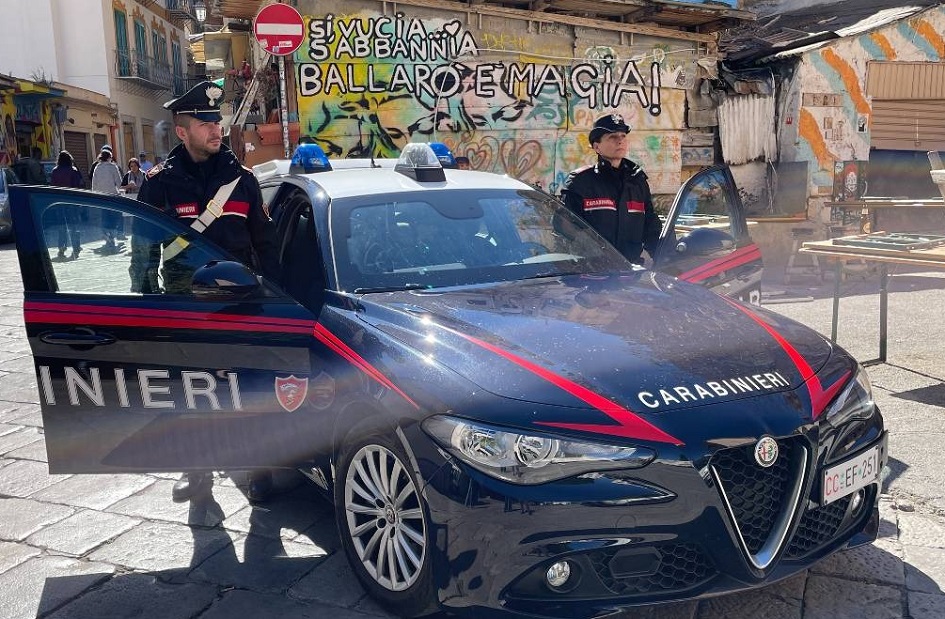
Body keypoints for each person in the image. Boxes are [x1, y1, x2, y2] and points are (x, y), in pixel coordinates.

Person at [134, 80, 279, 504]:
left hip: (238, 305)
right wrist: (144, 311)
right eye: (206, 122)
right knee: (189, 390)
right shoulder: (160, 183)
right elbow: (143, 253)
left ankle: (258, 463)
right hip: (184, 306)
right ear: (183, 131)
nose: (217, 128)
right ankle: (196, 470)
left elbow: (265, 247)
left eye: (218, 120)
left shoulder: (243, 181)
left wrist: (274, 303)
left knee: (249, 387)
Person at [560, 113, 661, 265]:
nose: (620, 141)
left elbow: (651, 226)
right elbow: (564, 229)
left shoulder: (637, 181)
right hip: (592, 274)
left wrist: (664, 259)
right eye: (612, 137)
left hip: (631, 272)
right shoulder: (580, 182)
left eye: (623, 136)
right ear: (596, 146)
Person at [49, 150, 84, 260]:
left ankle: (62, 247)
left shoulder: (54, 171)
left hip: (59, 202)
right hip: (72, 201)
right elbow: (78, 187)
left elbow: (53, 187)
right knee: (74, 225)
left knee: (61, 226)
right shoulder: (73, 171)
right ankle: (76, 246)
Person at [91, 149, 124, 254]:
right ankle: (112, 235)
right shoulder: (113, 167)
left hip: (101, 197)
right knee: (114, 216)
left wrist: (95, 196)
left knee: (105, 215)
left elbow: (94, 184)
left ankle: (107, 234)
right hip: (113, 196)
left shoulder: (97, 167)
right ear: (109, 157)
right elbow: (119, 183)